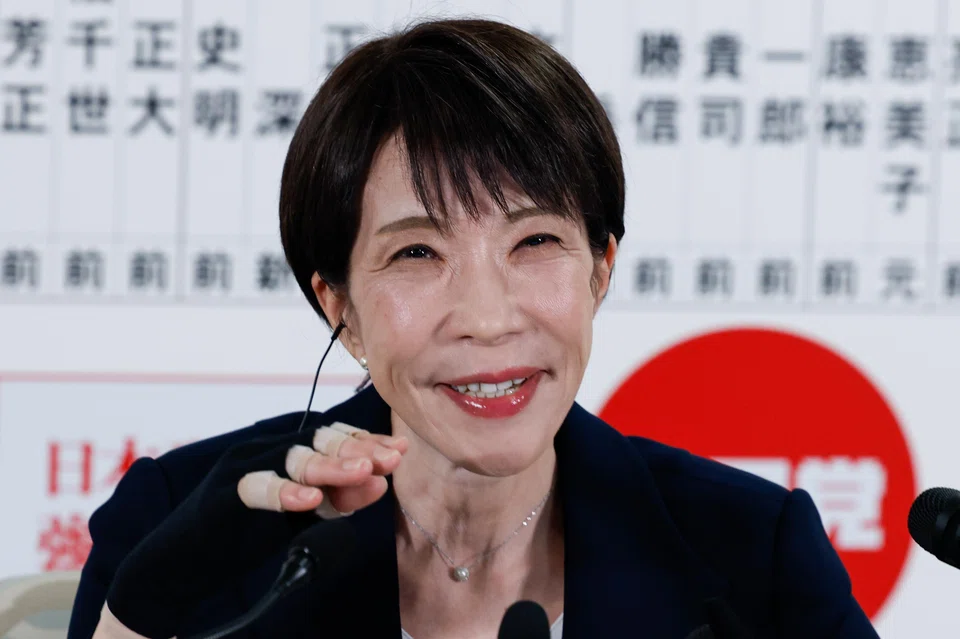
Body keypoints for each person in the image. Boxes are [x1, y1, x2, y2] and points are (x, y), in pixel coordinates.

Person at [67, 18, 880, 639]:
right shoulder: (180, 524)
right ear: (339, 307)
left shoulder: (752, 550)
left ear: (601, 269)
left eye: (535, 242)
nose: (489, 318)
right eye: (417, 252)